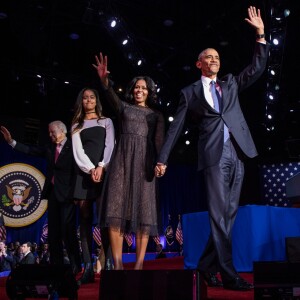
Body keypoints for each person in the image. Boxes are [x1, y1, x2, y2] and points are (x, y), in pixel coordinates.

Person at [155, 6, 269, 291]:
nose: (215, 60)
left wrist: (261, 35)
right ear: (199, 64)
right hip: (213, 156)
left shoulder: (230, 83)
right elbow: (175, 128)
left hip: (238, 152)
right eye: (209, 57)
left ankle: (205, 266)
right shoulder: (189, 93)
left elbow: (256, 69)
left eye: (217, 57)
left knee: (228, 214)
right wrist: (163, 158)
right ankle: (229, 274)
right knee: (219, 215)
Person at [93, 53, 165, 270]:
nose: (139, 90)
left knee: (144, 213)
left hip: (145, 164)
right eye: (136, 87)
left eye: (144, 88)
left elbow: (159, 143)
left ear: (149, 92)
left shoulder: (156, 115)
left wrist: (161, 163)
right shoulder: (124, 107)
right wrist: (104, 80)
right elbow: (110, 96)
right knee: (115, 210)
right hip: (121, 162)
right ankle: (117, 265)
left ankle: (139, 265)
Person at [0, 122, 82, 275]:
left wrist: (77, 195)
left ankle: (75, 265)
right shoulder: (50, 148)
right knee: (53, 234)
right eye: (49, 133)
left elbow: (78, 172)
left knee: (68, 232)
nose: (50, 135)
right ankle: (56, 266)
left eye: (53, 132)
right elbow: (31, 150)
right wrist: (11, 142)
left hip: (68, 197)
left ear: (63, 131)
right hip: (52, 195)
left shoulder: (74, 147)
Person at [71, 87, 115, 284]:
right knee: (85, 219)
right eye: (85, 97)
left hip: (103, 172)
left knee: (104, 219)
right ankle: (88, 267)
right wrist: (90, 169)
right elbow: (77, 150)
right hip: (83, 174)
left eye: (91, 97)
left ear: (96, 100)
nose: (88, 100)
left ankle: (107, 263)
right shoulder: (76, 124)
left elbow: (110, 145)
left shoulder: (106, 121)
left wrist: (101, 166)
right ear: (81, 101)